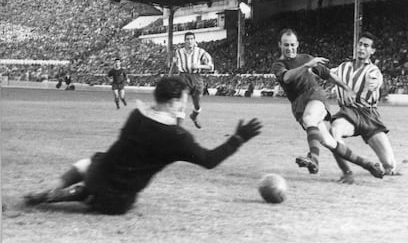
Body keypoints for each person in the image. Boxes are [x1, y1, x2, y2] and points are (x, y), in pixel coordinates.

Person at [24, 76, 262, 215]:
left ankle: (57, 188)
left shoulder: (136, 116)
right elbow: (209, 160)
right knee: (109, 184)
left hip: (98, 176)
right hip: (116, 203)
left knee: (93, 160)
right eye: (184, 100)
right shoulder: (178, 138)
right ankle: (77, 194)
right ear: (174, 102)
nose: (186, 105)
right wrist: (237, 139)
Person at [272, 28, 384, 179]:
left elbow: (329, 75)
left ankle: (314, 159)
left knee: (309, 118)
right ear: (280, 45)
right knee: (328, 141)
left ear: (297, 44)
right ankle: (369, 165)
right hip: (299, 105)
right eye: (286, 45)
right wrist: (306, 66)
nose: (290, 48)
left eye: (292, 44)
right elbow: (286, 78)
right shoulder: (278, 65)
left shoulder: (306, 58)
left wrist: (346, 88)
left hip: (314, 95)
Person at [330, 32, 398, 184]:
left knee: (389, 166)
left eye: (366, 46)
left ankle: (384, 165)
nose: (361, 48)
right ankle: (347, 171)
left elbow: (376, 80)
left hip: (369, 116)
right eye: (360, 44)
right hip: (348, 113)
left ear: (372, 51)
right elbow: (326, 74)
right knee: (334, 130)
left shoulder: (374, 71)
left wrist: (374, 85)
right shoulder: (342, 67)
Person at [170, 32, 214, 128]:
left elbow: (211, 66)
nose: (189, 41)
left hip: (196, 78)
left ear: (194, 40)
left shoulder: (201, 52)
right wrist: (170, 77)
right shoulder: (178, 52)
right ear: (184, 41)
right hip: (183, 77)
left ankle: (194, 116)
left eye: (191, 39)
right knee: (182, 103)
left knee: (197, 104)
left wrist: (199, 66)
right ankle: (178, 129)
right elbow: (174, 64)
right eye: (187, 39)